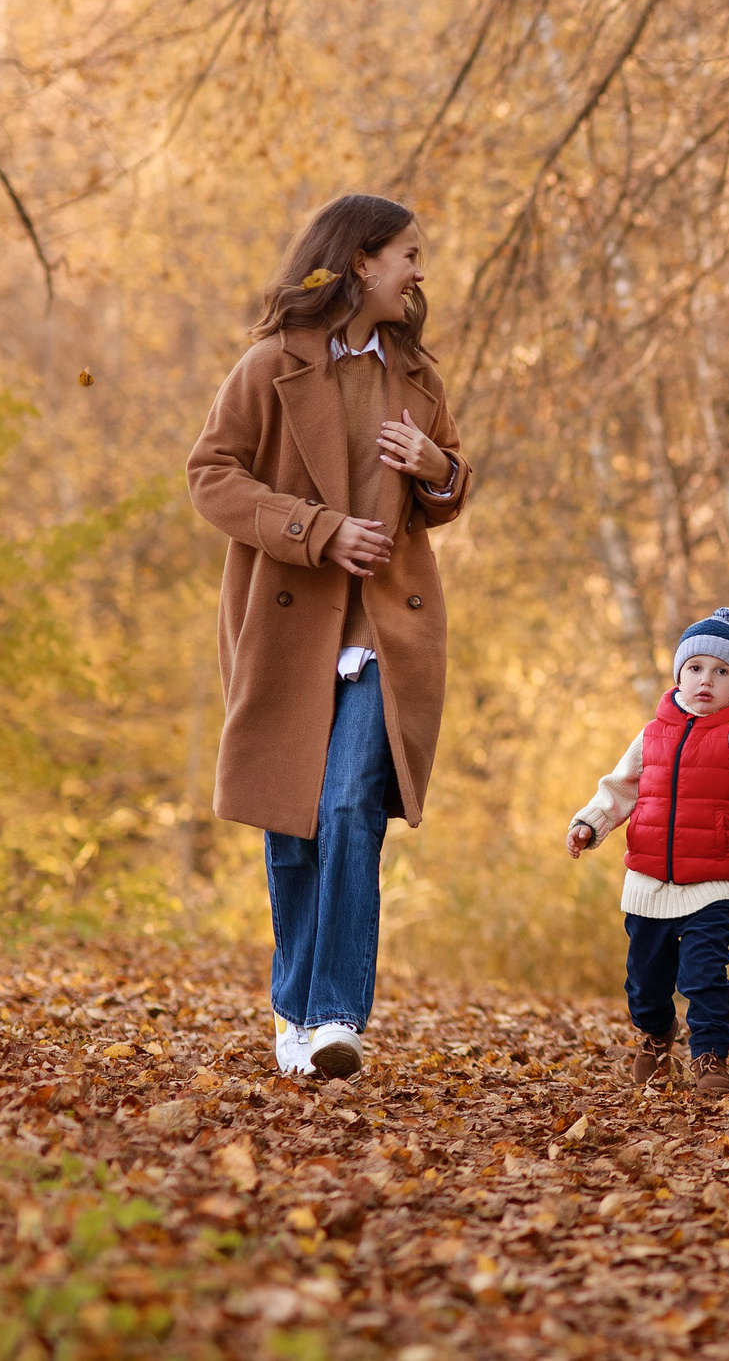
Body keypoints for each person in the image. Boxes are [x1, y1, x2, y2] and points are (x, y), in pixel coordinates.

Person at [187, 194, 473, 1080]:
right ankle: (293, 1009)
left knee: (351, 804)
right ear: (361, 261)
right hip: (287, 631)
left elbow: (453, 486)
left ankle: (335, 1015)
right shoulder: (269, 367)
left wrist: (438, 470)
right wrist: (317, 529)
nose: (419, 271)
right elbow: (210, 478)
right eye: (408, 254)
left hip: (385, 630)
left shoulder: (417, 378)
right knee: (292, 826)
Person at [566, 609, 729, 1096]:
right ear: (678, 675)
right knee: (645, 984)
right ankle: (654, 1033)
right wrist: (589, 823)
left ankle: (710, 1057)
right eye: (696, 668)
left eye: (721, 672)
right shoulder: (652, 734)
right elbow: (619, 789)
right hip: (647, 883)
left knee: (705, 976)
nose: (706, 681)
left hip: (710, 885)